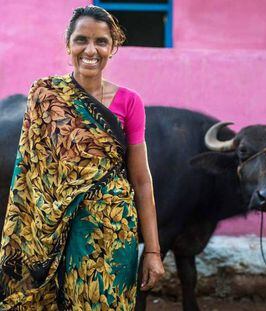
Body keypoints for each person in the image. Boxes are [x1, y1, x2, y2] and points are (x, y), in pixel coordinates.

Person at [0, 5, 164, 309]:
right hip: (48, 234)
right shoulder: (46, 96)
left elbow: (141, 180)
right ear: (68, 44)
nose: (91, 50)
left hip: (111, 232)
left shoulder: (130, 102)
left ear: (113, 47)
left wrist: (152, 251)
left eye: (101, 41)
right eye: (81, 40)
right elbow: (28, 172)